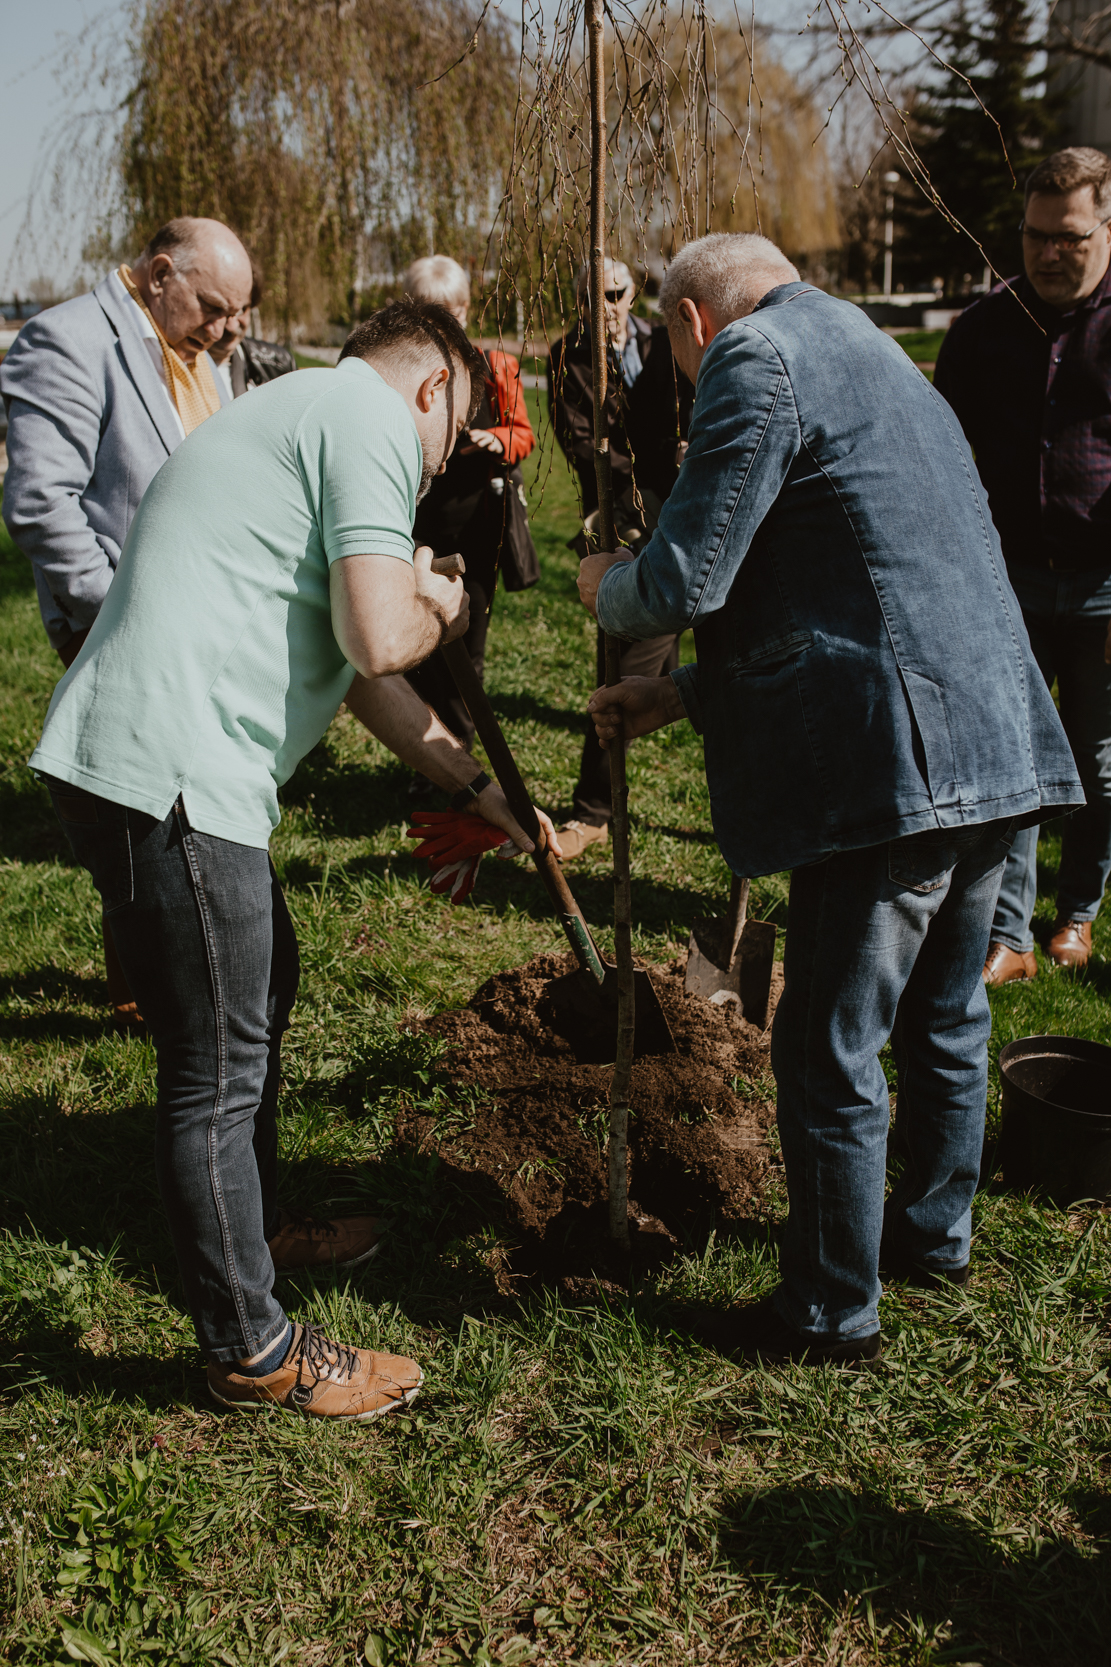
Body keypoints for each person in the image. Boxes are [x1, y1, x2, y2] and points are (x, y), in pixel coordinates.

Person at [28, 298, 560, 1420]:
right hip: (177, 769)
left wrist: (480, 790)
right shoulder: (365, 417)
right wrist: (444, 604)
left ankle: (255, 1229)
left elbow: (359, 673)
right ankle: (253, 1347)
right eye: (453, 427)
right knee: (216, 1066)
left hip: (155, 761)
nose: (440, 460)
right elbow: (382, 635)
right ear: (432, 387)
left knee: (260, 992)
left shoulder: (304, 415)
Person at [578, 232, 1081, 1364]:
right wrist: (680, 696)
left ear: (693, 321)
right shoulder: (877, 353)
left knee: (825, 1045)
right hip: (993, 736)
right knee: (945, 1015)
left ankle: (827, 1312)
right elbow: (861, 582)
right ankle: (933, 1238)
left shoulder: (754, 354)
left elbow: (688, 575)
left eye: (677, 355)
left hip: (895, 765)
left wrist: (608, 587)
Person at [2, 215, 253, 1028]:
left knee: (182, 798)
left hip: (201, 618)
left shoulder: (199, 352)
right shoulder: (67, 340)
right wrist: (119, 613)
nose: (226, 328)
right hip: (120, 619)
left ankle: (167, 971)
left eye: (236, 313)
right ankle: (146, 986)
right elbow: (41, 504)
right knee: (140, 800)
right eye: (214, 308)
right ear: (160, 273)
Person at [935, 146, 1111, 982]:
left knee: (1097, 764)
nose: (1048, 253)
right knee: (1010, 762)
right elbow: (935, 452)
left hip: (1105, 587)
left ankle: (1076, 912)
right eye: (1035, 236)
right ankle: (1007, 935)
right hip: (1003, 582)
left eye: (1068, 237)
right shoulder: (982, 330)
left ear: (1105, 229)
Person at [548, 258, 683, 860]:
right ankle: (594, 811)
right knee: (624, 664)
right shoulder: (565, 357)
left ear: (633, 293)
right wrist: (645, 482)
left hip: (681, 517)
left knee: (659, 662)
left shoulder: (662, 343)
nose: (601, 306)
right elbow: (582, 446)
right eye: (589, 296)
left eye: (612, 293)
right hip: (620, 524)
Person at [399, 255, 536, 778]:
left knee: (465, 646)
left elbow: (522, 433)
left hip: (476, 531)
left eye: (452, 312)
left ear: (466, 309)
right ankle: (425, 761)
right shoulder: (403, 374)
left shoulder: (493, 366)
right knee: (414, 649)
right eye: (430, 314)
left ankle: (461, 765)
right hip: (416, 528)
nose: (443, 325)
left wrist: (496, 439)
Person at [207, 261, 296, 399]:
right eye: (220, 309)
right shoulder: (175, 371)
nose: (231, 326)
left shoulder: (278, 365)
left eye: (241, 310)